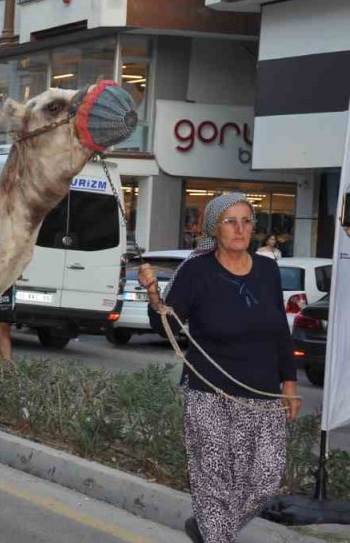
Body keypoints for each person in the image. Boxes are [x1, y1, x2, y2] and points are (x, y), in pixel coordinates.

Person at [139, 192, 301, 543]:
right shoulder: (196, 271)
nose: (240, 229)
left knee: (263, 481)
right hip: (209, 394)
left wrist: (289, 382)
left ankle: (208, 529)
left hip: (263, 397)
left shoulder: (268, 270)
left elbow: (278, 331)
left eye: (246, 221)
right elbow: (165, 324)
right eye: (231, 221)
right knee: (214, 483)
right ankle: (215, 533)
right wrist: (153, 294)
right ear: (214, 228)